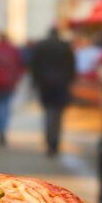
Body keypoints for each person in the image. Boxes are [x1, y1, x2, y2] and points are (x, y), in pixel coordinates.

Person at [30, 27, 77, 156]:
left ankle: (50, 141)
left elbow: (34, 65)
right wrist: (70, 81)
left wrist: (35, 82)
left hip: (45, 84)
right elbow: (72, 66)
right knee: (58, 115)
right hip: (61, 84)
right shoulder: (65, 46)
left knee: (48, 114)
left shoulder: (41, 46)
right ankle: (55, 141)